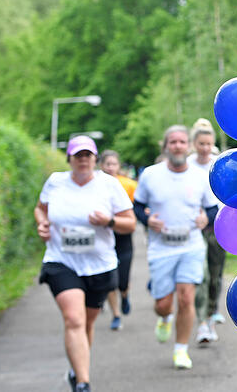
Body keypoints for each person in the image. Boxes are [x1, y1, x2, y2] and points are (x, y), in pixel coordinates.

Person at [34, 136, 136, 392]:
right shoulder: (55, 182)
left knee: (86, 323)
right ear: (69, 158)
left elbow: (130, 224)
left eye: (87, 155)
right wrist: (42, 223)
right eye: (77, 155)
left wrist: (108, 221)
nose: (82, 160)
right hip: (61, 261)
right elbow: (40, 208)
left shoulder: (109, 184)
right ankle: (83, 383)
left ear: (95, 159)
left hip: (99, 265)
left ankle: (76, 369)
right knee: (74, 319)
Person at [133, 125, 219, 369]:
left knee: (186, 297)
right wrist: (147, 220)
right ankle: (164, 317)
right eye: (173, 142)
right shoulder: (150, 175)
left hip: (191, 246)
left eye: (182, 141)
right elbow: (137, 206)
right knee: (163, 304)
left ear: (188, 146)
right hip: (161, 248)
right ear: (166, 147)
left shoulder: (200, 176)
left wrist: (205, 219)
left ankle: (181, 349)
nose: (178, 146)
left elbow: (212, 209)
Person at [187, 118, 227, 345]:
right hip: (194, 228)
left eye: (208, 144)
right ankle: (202, 322)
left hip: (218, 226)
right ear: (194, 144)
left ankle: (211, 313)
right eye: (201, 144)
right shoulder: (187, 166)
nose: (204, 148)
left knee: (215, 275)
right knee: (200, 275)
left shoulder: (219, 163)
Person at [98, 150, 138, 331]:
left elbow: (137, 207)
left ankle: (125, 294)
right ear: (101, 166)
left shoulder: (128, 184)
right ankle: (116, 314)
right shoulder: (95, 185)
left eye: (114, 164)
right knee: (110, 280)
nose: (110, 167)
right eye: (107, 164)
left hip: (124, 237)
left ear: (118, 166)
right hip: (104, 237)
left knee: (122, 280)